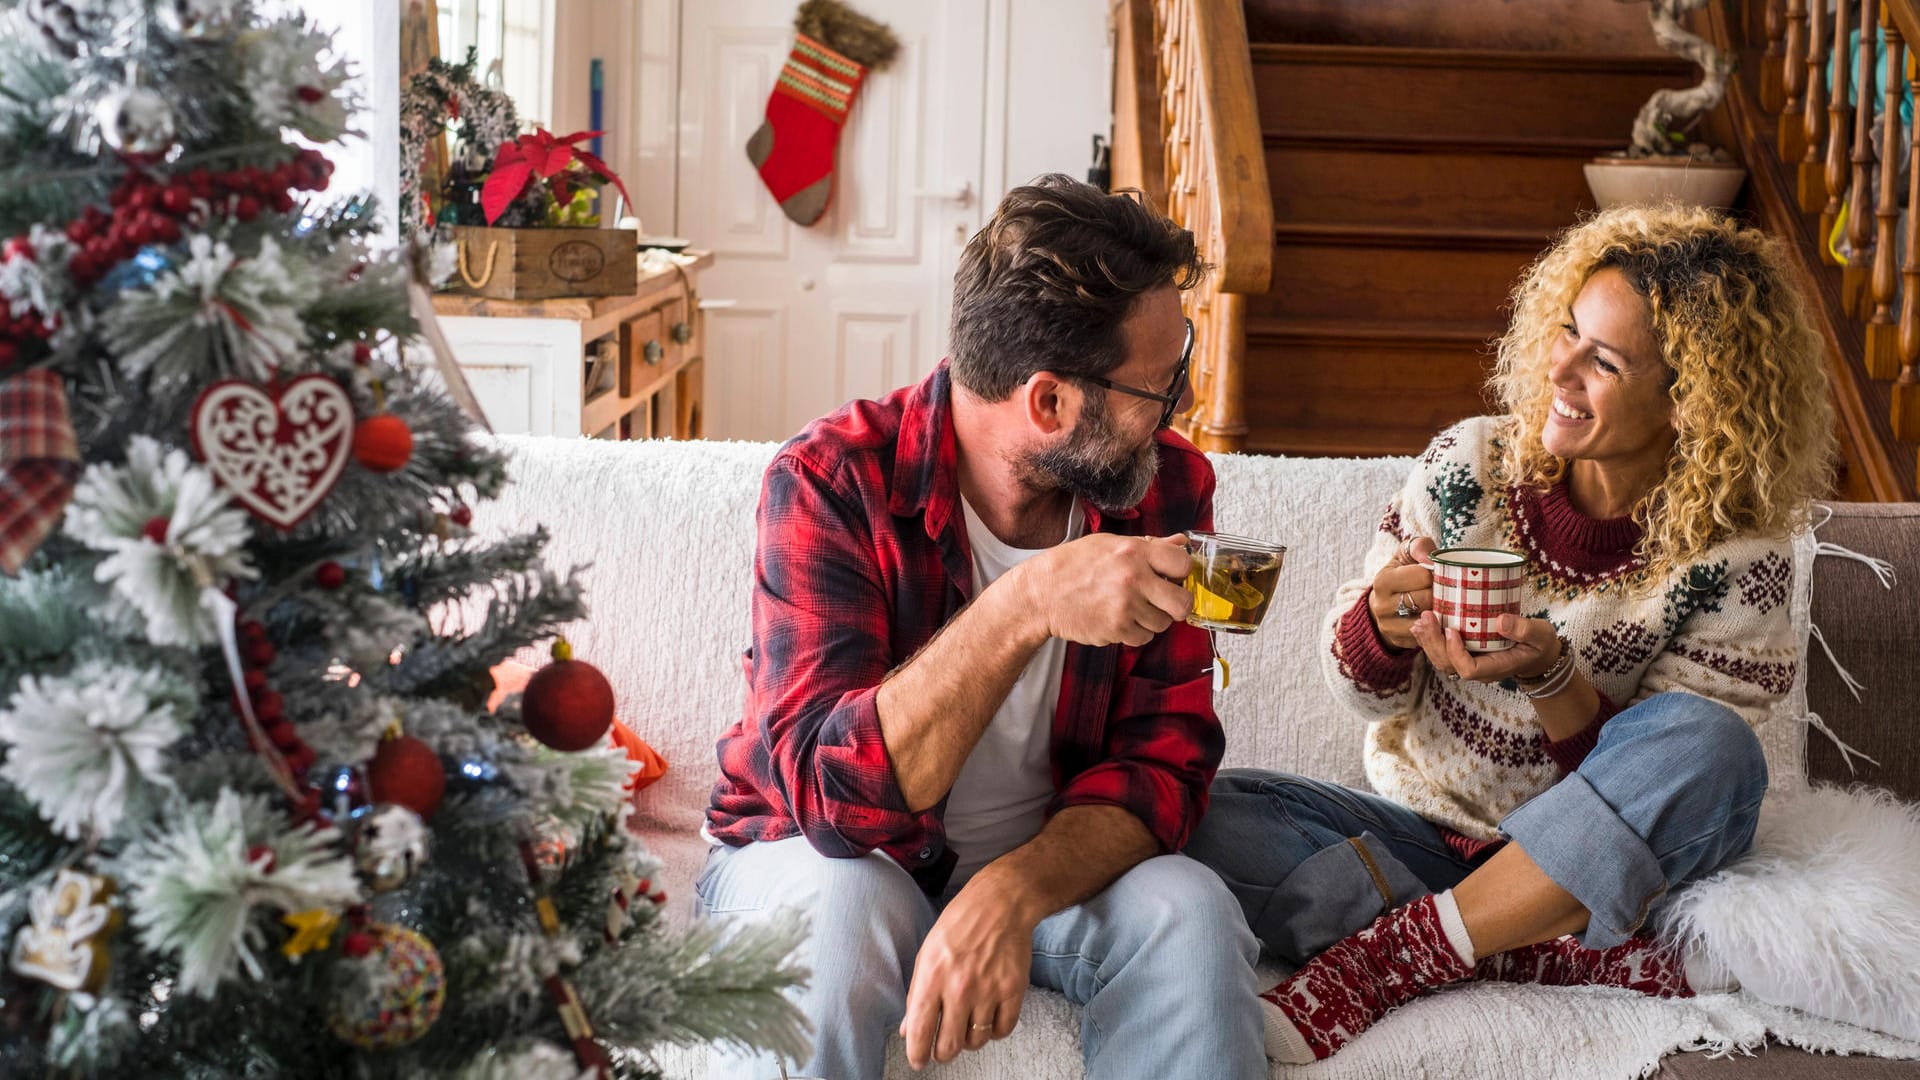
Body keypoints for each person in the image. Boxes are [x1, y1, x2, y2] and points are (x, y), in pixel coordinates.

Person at [1183, 204, 1838, 1063]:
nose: (1559, 369)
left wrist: (1555, 679)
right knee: (1201, 811)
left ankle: (1400, 957)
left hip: (1603, 867)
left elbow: (1676, 779)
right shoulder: (1470, 466)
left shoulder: (1737, 559)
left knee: (1714, 748)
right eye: (1567, 332)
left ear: (1693, 403)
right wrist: (1380, 627)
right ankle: (1528, 947)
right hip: (1416, 841)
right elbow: (1358, 692)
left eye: (1602, 360)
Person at [698, 174, 1265, 1080]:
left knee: (1190, 912)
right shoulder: (829, 481)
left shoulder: (1165, 489)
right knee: (840, 918)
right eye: (1160, 389)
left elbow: (1165, 766)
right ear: (1048, 404)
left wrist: (1010, 891)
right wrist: (1026, 604)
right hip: (824, 856)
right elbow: (833, 798)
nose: (1178, 412)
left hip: (1050, 863)